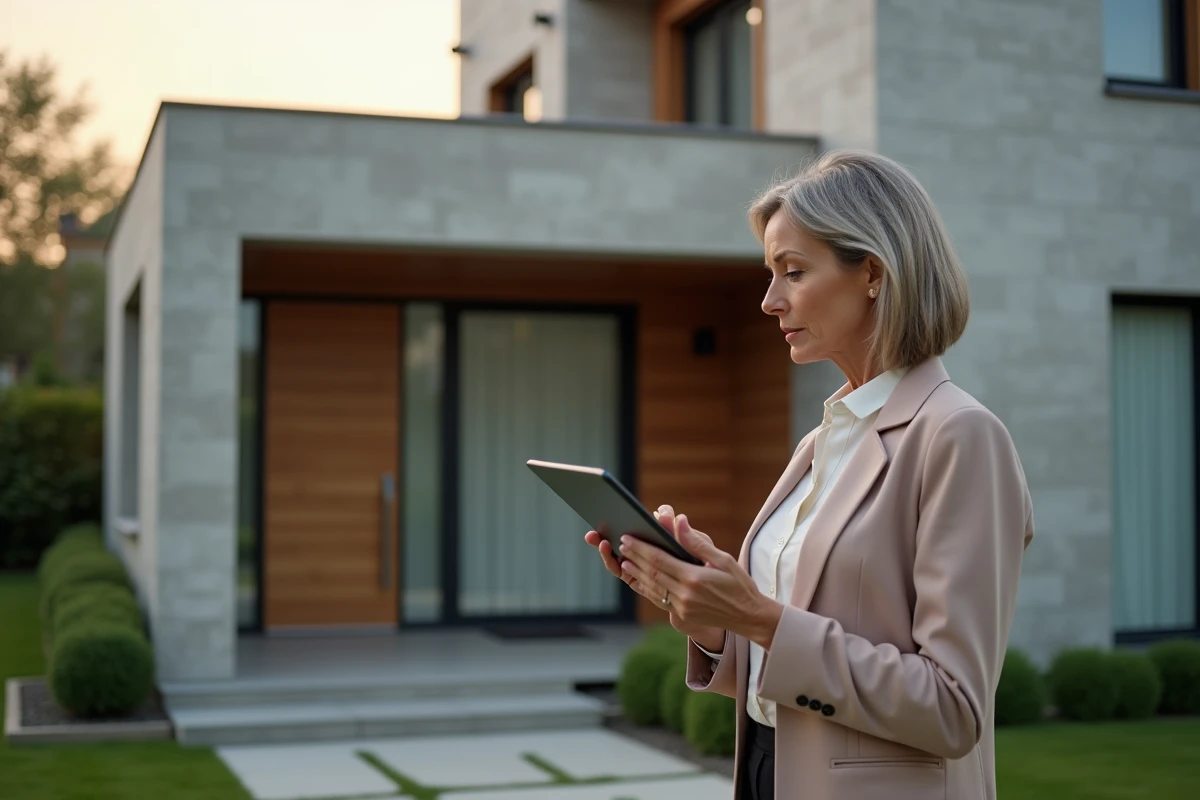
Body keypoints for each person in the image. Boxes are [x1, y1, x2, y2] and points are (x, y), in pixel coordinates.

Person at [586, 149, 1033, 800]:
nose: (769, 302)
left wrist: (762, 618)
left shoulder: (959, 436)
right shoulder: (823, 441)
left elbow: (952, 707)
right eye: (771, 274)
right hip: (773, 771)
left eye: (792, 272)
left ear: (873, 273)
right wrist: (711, 617)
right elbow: (790, 665)